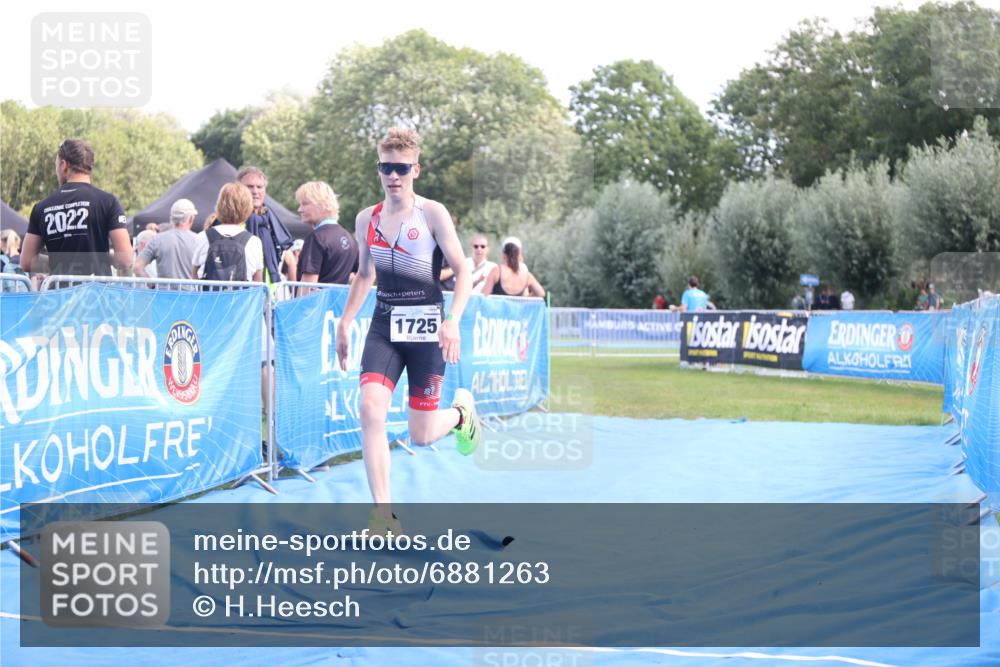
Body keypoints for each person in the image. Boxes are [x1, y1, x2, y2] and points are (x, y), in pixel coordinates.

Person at [334, 128, 482, 534]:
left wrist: (452, 320)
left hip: (427, 330)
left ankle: (459, 413)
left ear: (415, 169)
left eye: (401, 168)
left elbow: (464, 269)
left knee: (420, 436)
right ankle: (383, 517)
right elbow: (364, 275)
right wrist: (346, 321)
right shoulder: (368, 218)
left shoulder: (432, 213)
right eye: (386, 168)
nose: (393, 176)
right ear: (379, 169)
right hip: (385, 326)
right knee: (369, 410)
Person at [21, 139, 133, 276]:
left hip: (58, 294)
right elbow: (125, 259)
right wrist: (98, 257)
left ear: (64, 165)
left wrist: (60, 262)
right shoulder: (108, 202)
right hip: (96, 293)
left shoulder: (41, 207)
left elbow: (26, 261)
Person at [191, 183, 264, 283]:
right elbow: (257, 281)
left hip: (209, 297)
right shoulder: (254, 242)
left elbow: (195, 275)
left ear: (220, 205)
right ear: (247, 208)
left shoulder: (202, 237)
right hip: (240, 298)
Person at [294, 181, 359, 287]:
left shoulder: (317, 238)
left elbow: (308, 288)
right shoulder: (350, 238)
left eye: (305, 204)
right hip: (341, 303)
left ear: (322, 205)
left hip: (318, 303)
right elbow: (360, 275)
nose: (300, 209)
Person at [238, 166, 294, 286]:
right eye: (250, 186)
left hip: (269, 293)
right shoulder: (230, 219)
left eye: (259, 187)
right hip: (241, 293)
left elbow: (290, 260)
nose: (255, 191)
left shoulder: (271, 221)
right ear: (238, 189)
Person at [135, 198, 200, 280]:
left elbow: (137, 268)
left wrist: (152, 285)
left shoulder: (157, 240)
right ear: (191, 219)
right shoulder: (198, 240)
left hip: (164, 292)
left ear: (172, 217)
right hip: (190, 292)